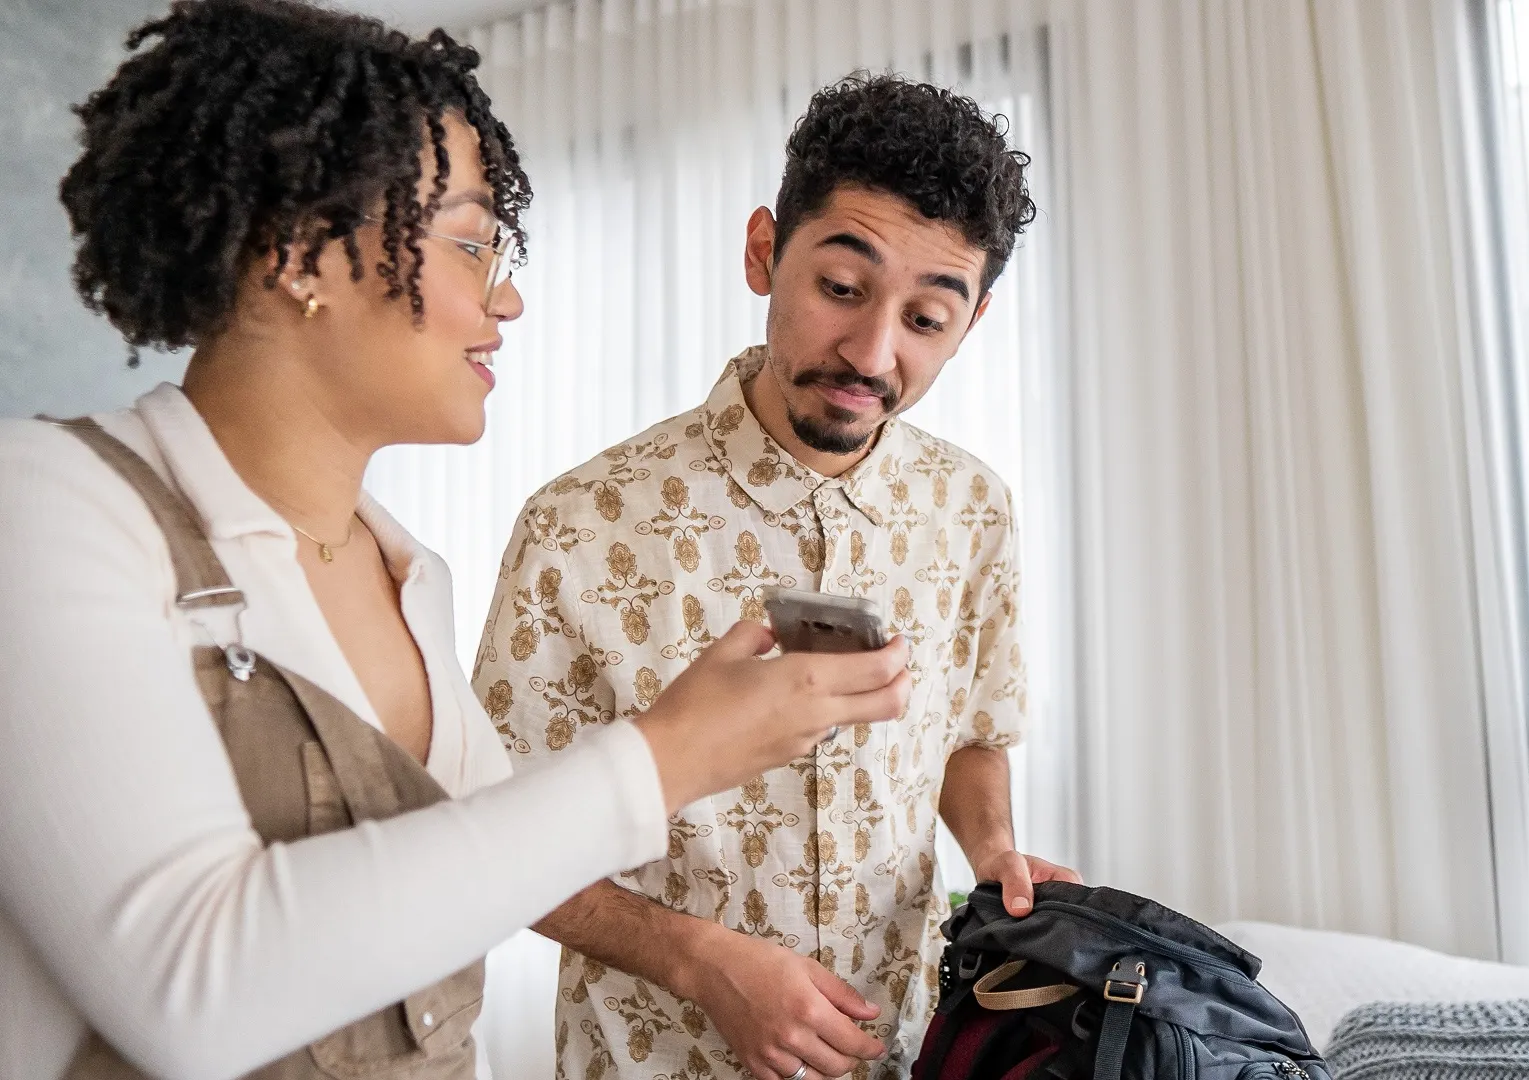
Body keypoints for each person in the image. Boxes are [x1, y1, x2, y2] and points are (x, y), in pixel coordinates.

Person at [0, 4, 909, 1079]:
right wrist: (667, 756)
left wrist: (709, 892)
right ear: (300, 252)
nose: (509, 296)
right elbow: (191, 988)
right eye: (473, 244)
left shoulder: (406, 577)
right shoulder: (46, 502)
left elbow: (484, 875)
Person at [472, 74, 1080, 1080]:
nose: (871, 351)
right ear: (764, 252)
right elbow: (491, 843)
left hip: (903, 1054)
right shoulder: (578, 528)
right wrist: (701, 962)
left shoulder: (974, 511)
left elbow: (971, 735)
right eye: (841, 290)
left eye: (927, 319)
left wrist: (996, 855)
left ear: (969, 325)